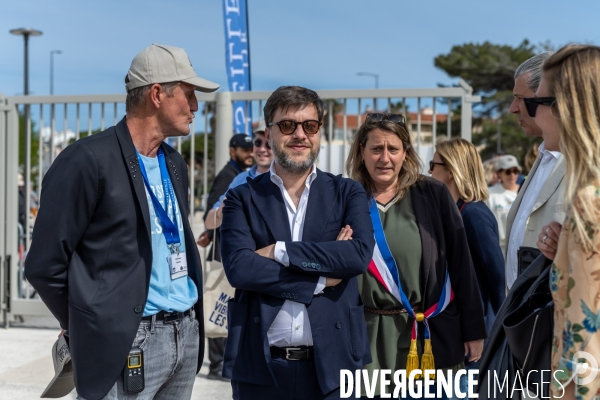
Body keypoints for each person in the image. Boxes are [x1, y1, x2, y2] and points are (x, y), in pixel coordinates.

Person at [25, 44, 218, 400]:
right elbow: (43, 265)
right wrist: (85, 325)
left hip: (185, 336)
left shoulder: (174, 163)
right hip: (127, 341)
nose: (195, 107)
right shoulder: (86, 160)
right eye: (189, 95)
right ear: (157, 94)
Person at [220, 86, 375, 399]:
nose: (299, 134)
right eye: (288, 125)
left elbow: (357, 256)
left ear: (320, 131)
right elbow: (240, 268)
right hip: (261, 369)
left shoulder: (348, 193)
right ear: (269, 133)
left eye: (310, 126)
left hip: (334, 367)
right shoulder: (242, 197)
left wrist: (279, 251)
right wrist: (321, 277)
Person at [346, 113, 486, 398]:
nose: (384, 158)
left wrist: (474, 330)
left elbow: (462, 265)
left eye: (393, 149)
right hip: (368, 336)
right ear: (361, 152)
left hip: (428, 336)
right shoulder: (346, 197)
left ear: (405, 153)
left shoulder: (432, 194)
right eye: (375, 149)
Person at [527, 44, 600, 400]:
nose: (533, 116)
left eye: (536, 103)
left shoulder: (589, 199)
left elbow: (584, 338)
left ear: (567, 108)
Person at [504, 52, 566, 290]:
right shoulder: (543, 157)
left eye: (522, 98)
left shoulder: (588, 162)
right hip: (523, 316)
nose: (513, 108)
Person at [430, 138, 505, 333]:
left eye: (433, 165)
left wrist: (498, 325)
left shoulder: (473, 214)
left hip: (478, 327)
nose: (429, 171)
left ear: (451, 171)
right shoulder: (456, 211)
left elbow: (496, 273)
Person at [200, 132, 253, 380]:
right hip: (223, 250)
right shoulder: (228, 177)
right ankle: (217, 364)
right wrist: (210, 233)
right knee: (220, 303)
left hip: (224, 247)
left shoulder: (239, 175)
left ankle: (221, 363)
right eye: (245, 149)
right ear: (232, 151)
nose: (251, 153)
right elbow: (212, 213)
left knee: (222, 303)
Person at [205, 122, 273, 230]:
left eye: (269, 144)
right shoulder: (240, 179)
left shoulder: (286, 180)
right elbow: (209, 222)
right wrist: (223, 209)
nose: (262, 149)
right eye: (258, 143)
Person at [485, 154, 521, 249]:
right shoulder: (490, 194)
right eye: (508, 171)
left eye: (515, 171)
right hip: (497, 246)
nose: (512, 175)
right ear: (499, 173)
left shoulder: (524, 192)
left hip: (519, 246)